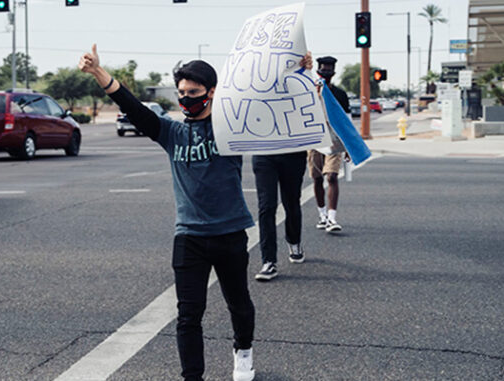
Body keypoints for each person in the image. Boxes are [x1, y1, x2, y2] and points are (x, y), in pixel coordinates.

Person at [79, 44, 262, 381]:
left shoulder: (229, 127)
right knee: (188, 315)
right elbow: (132, 106)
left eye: (194, 92)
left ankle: (244, 351)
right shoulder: (172, 132)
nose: (187, 98)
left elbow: (274, 105)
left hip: (230, 232)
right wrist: (98, 72)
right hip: (189, 236)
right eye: (182, 93)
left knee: (238, 302)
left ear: (211, 92)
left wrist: (302, 69)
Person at [253, 57, 316, 282]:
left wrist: (307, 71)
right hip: (263, 153)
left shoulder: (296, 81)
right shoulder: (254, 82)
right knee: (266, 206)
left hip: (292, 151)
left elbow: (312, 100)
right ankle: (268, 260)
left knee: (291, 202)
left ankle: (294, 241)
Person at [308, 56, 350, 234]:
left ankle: (332, 218)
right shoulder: (311, 91)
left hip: (334, 140)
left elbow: (346, 121)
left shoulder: (340, 94)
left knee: (331, 176)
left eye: (330, 69)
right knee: (317, 178)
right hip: (314, 139)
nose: (326, 72)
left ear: (334, 72)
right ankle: (322, 214)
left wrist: (348, 145)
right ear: (318, 70)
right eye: (323, 69)